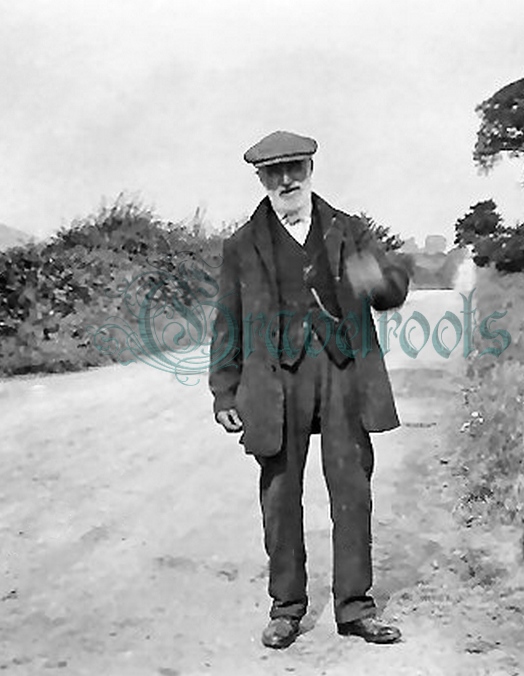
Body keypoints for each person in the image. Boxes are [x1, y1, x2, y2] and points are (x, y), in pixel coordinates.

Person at [209, 130, 409, 649]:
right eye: (275, 173)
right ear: (261, 179)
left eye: (295, 167)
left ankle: (355, 607)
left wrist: (376, 279)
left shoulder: (349, 228)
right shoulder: (240, 245)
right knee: (279, 496)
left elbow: (393, 290)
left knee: (352, 489)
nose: (287, 180)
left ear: (310, 168)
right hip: (275, 379)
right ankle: (287, 607)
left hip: (342, 371)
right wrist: (224, 393)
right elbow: (227, 321)